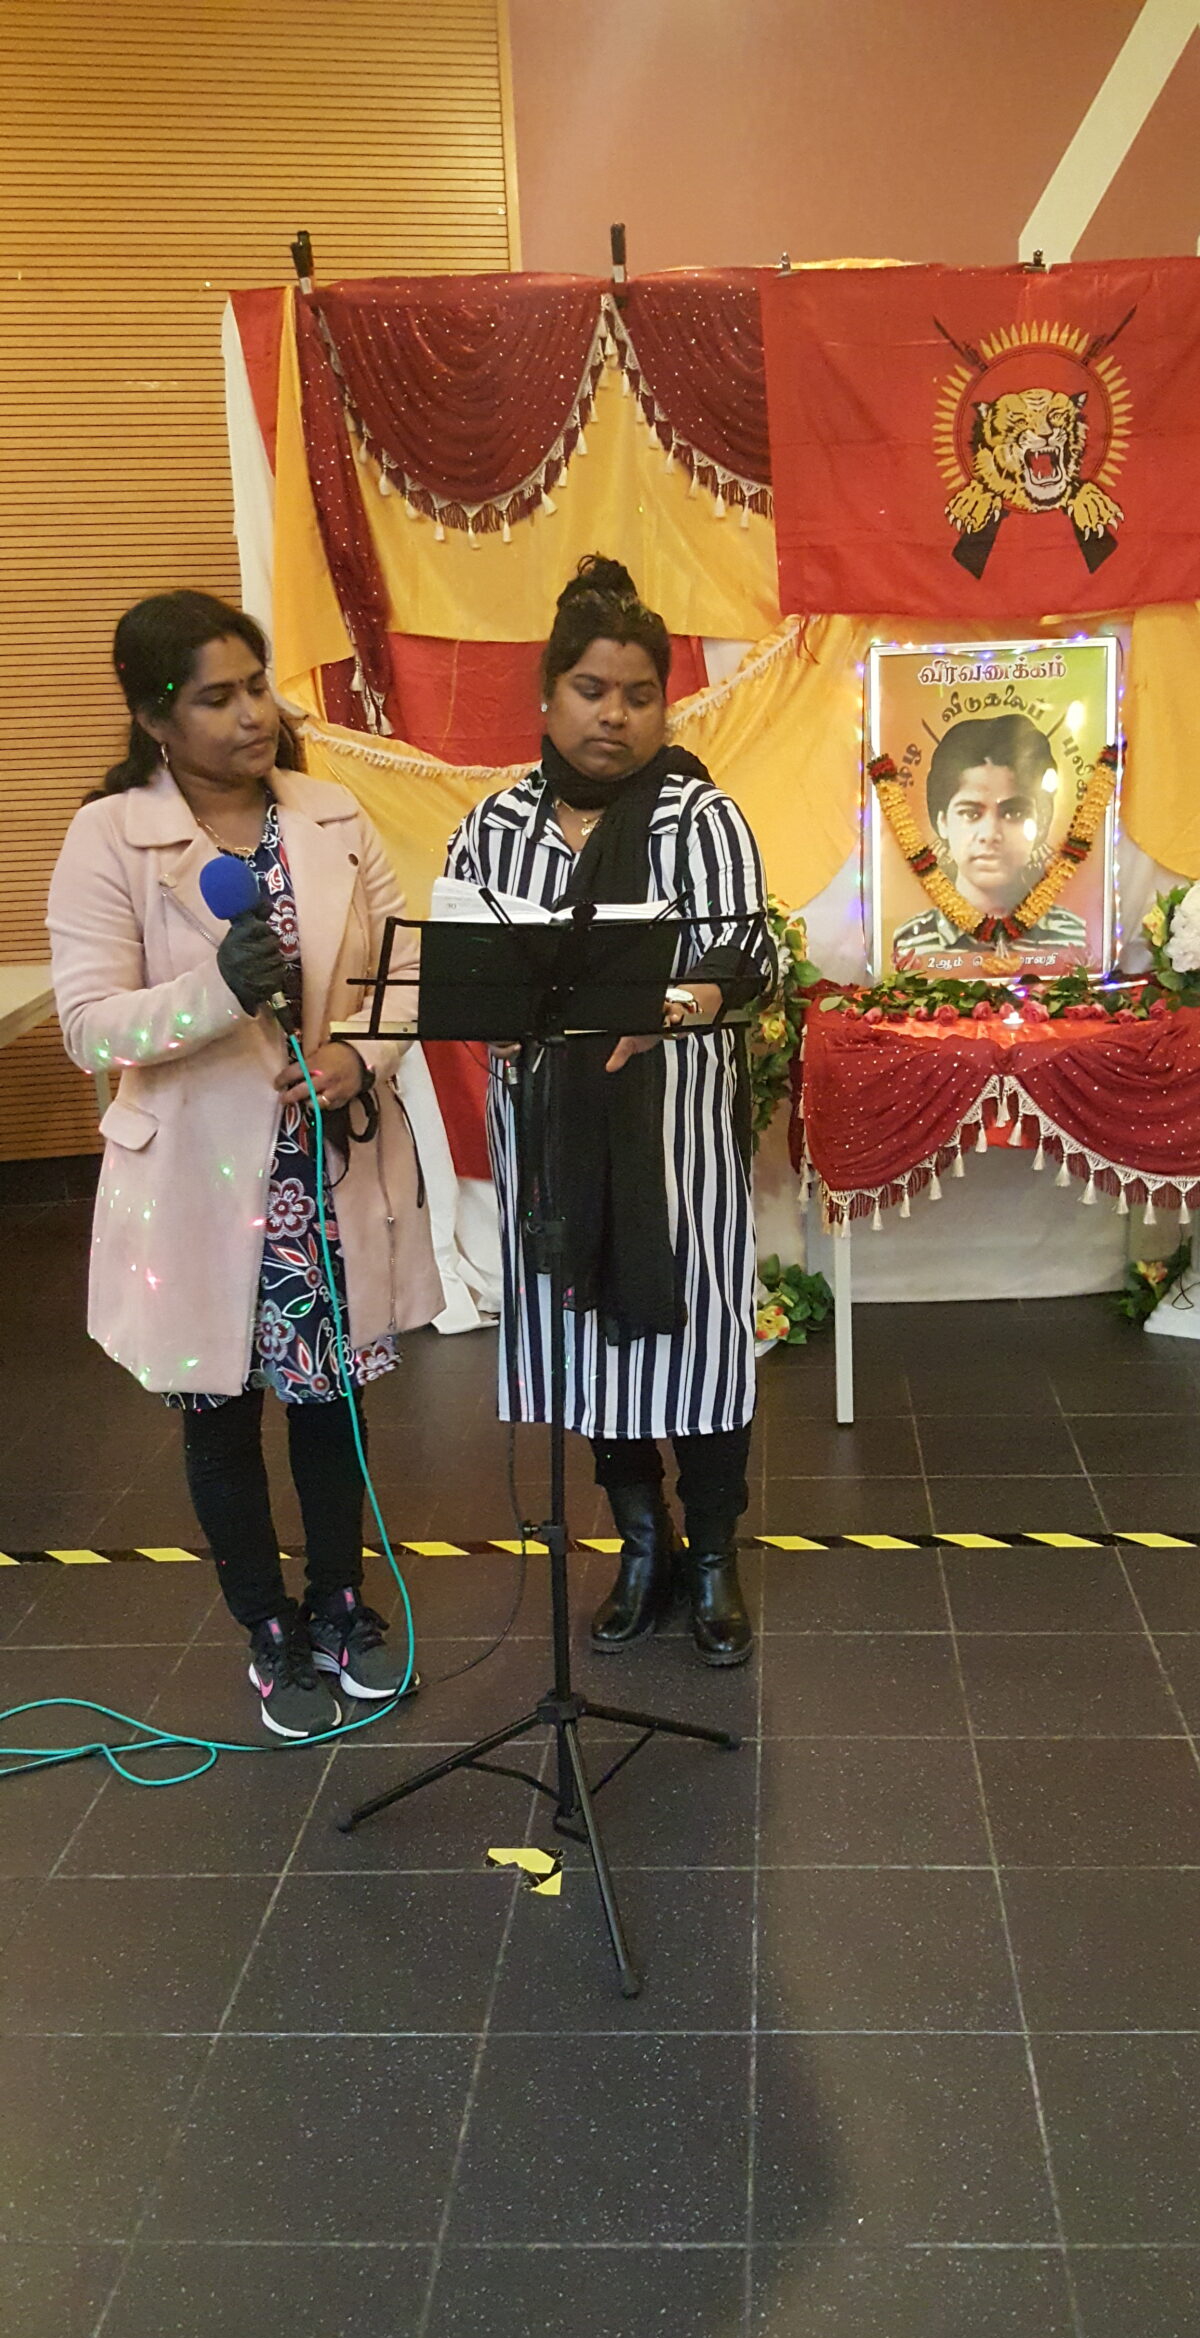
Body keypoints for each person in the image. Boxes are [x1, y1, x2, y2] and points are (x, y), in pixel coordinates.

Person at [47, 591, 442, 1737]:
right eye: (217, 698)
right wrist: (214, 991)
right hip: (197, 1185)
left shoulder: (331, 814)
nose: (252, 715)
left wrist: (360, 1054)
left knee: (330, 1407)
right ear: (153, 718)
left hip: (324, 1168)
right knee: (218, 1413)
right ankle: (266, 1623)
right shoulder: (108, 837)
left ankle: (340, 1605)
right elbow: (89, 1027)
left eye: (257, 686)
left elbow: (403, 969)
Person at [444, 557, 774, 1666]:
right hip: (552, 1145)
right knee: (590, 1349)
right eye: (592, 690)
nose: (616, 715)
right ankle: (643, 1543)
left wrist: (670, 1005)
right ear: (547, 696)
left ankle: (713, 1553)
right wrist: (490, 1016)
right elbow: (467, 972)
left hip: (676, 1151)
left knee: (702, 1347)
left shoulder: (701, 819)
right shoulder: (493, 827)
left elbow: (747, 961)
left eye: (639, 694)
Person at [891, 709, 1088, 963]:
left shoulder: (1074, 937)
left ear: (1041, 822)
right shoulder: (911, 943)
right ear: (942, 822)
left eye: (1014, 813)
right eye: (971, 814)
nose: (990, 834)